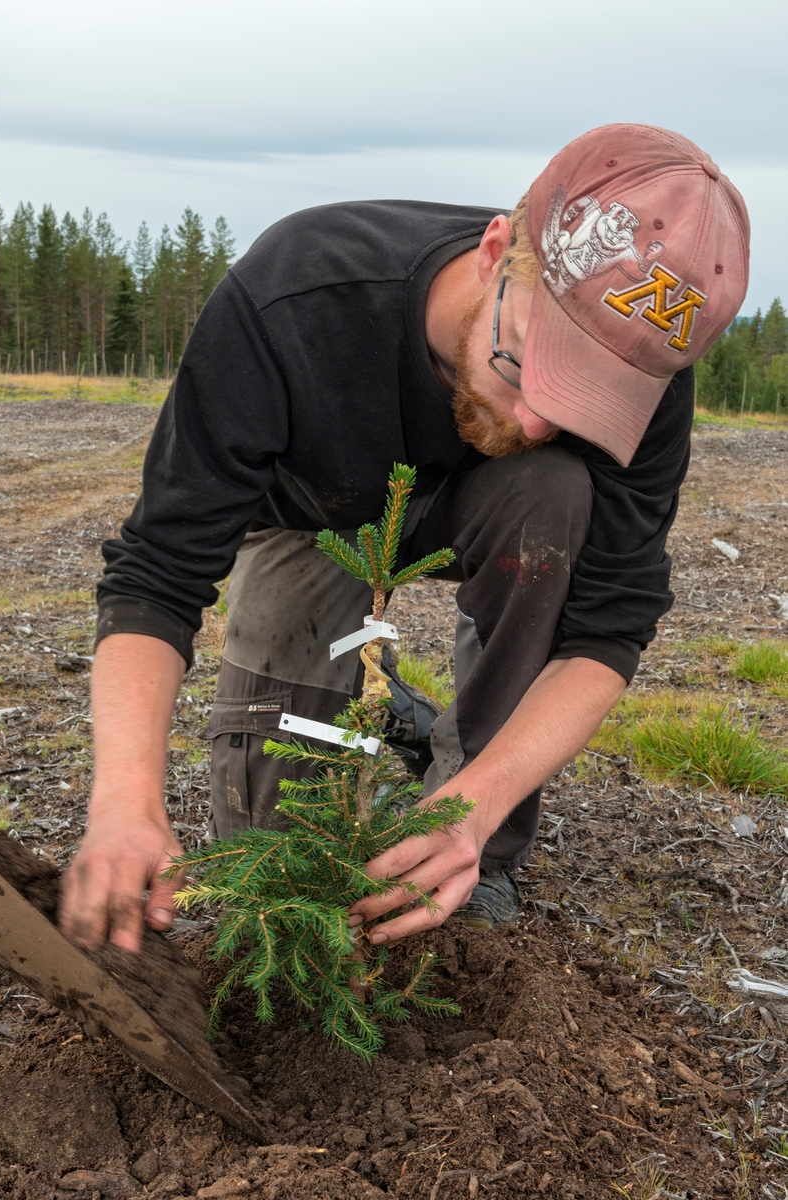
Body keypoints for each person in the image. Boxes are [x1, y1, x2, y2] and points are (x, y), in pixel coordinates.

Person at [59, 123, 749, 954]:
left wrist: (475, 812)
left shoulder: (648, 373)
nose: (537, 419)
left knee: (554, 485)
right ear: (497, 251)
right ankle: (378, 725)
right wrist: (125, 798)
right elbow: (156, 575)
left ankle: (472, 839)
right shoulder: (296, 296)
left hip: (502, 519)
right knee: (275, 856)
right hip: (309, 522)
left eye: (584, 400)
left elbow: (610, 626)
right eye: (527, 365)